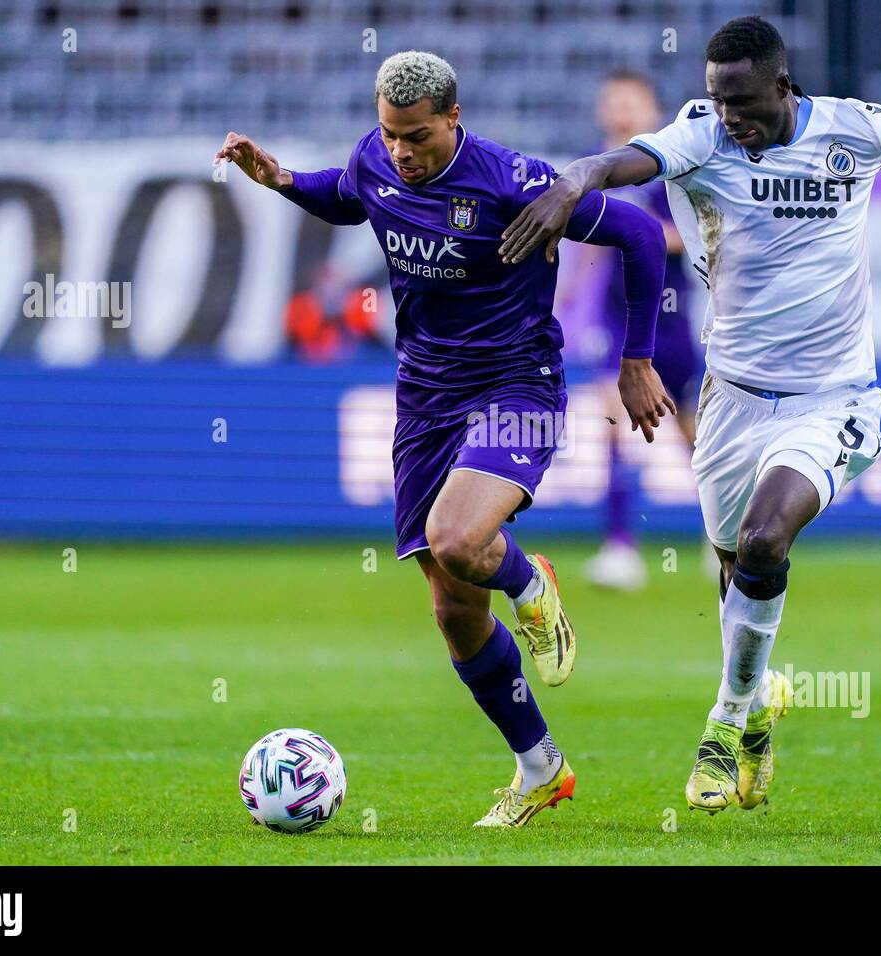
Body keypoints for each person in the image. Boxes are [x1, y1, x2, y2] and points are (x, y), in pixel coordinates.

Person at [499, 16, 881, 814]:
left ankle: (722, 726)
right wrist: (571, 184)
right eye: (720, 102)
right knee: (734, 570)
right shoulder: (702, 138)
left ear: (783, 88)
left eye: (745, 103)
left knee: (761, 539)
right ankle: (757, 713)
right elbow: (618, 161)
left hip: (835, 398)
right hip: (733, 398)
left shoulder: (852, 130)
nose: (731, 119)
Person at [216, 51, 673, 827]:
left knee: (460, 541)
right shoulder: (377, 157)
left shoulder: (513, 183)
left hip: (516, 385)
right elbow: (349, 193)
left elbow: (636, 233)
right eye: (391, 135)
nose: (400, 151)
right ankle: (541, 769)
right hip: (424, 399)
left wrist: (636, 360)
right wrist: (287, 182)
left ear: (453, 119)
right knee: (453, 606)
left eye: (417, 137)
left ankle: (532, 588)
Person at [584, 71, 703, 592]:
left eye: (632, 101)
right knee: (612, 419)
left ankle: (725, 537)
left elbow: (699, 237)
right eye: (613, 102)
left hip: (671, 319)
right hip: (619, 318)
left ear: (654, 110)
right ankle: (619, 546)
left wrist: (641, 234)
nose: (621, 110)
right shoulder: (594, 170)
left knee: (694, 432)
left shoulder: (670, 171)